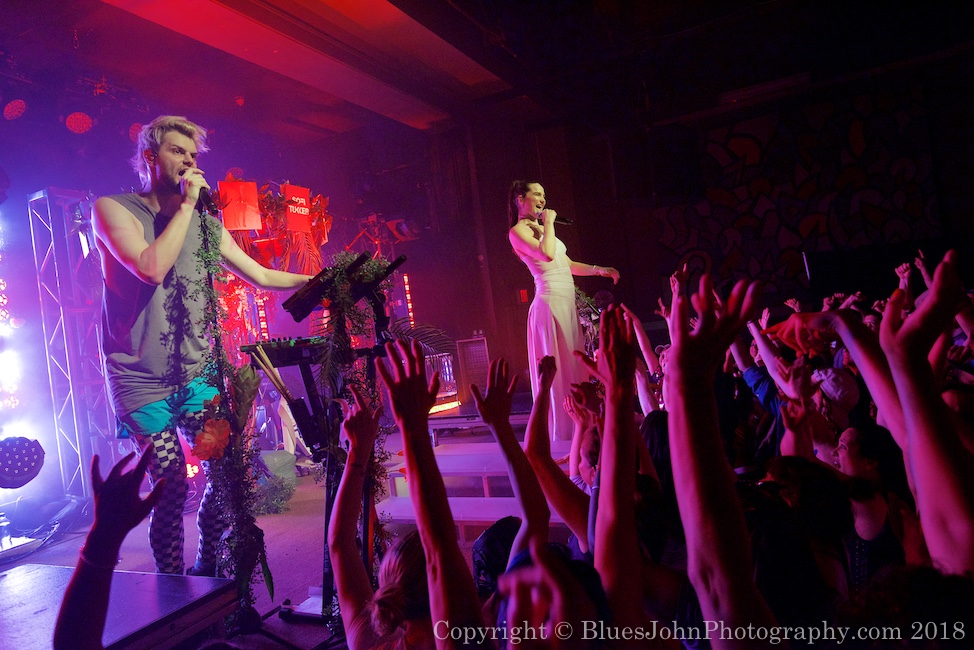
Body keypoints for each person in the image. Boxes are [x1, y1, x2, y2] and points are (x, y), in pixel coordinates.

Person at [92, 115, 313, 576]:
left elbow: (263, 275)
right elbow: (150, 267)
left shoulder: (206, 226)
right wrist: (188, 207)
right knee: (171, 485)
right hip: (140, 379)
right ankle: (172, 589)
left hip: (196, 376)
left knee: (226, 475)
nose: (189, 162)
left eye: (193, 155)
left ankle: (207, 570)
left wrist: (323, 282)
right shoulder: (114, 210)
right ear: (150, 158)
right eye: (178, 152)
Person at [507, 180, 619, 441]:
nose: (542, 199)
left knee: (573, 362)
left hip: (566, 302)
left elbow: (564, 263)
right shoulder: (517, 232)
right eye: (536, 194)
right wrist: (549, 224)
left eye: (544, 194)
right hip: (549, 304)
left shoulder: (544, 228)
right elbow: (545, 256)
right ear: (520, 199)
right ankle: (563, 432)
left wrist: (597, 269)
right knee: (558, 367)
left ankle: (584, 427)